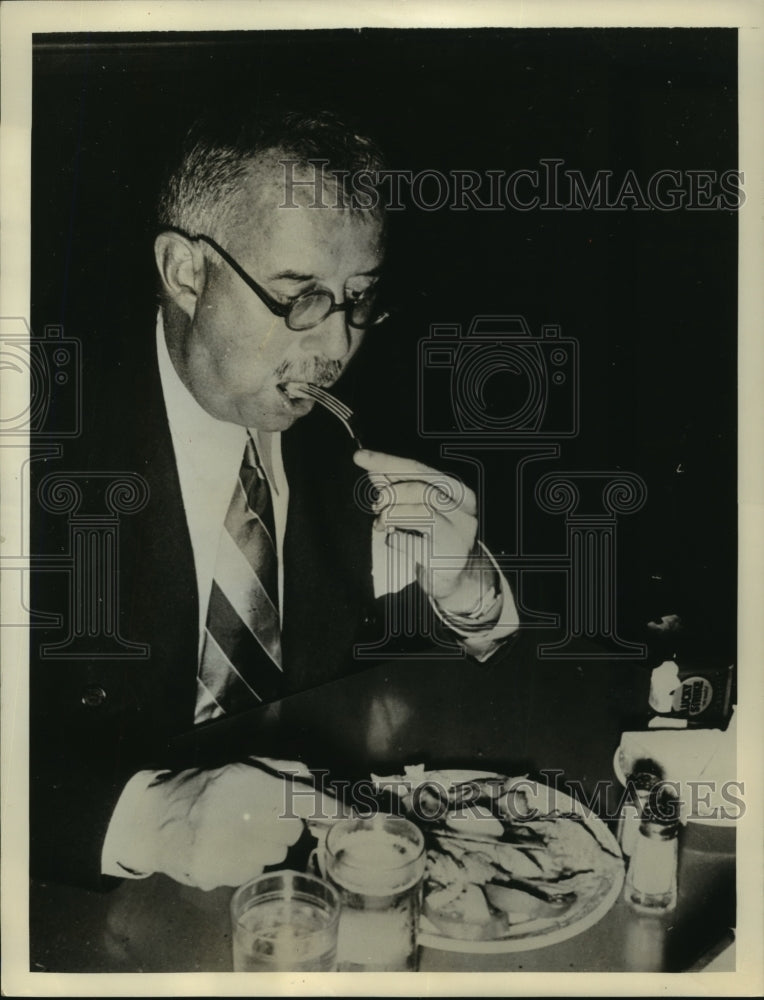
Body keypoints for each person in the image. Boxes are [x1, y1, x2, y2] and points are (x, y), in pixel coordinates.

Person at [29, 109, 519, 892]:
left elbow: (408, 680)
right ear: (186, 272)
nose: (333, 349)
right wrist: (147, 822)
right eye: (300, 298)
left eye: (359, 300)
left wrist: (469, 590)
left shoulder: (346, 436)